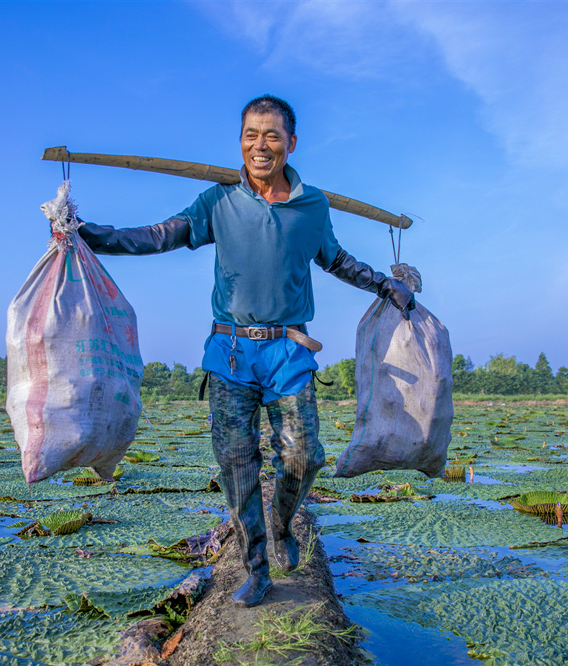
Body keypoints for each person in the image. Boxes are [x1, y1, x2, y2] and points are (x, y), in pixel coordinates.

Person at [77, 95, 415, 607]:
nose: (261, 146)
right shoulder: (218, 202)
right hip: (230, 354)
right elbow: (161, 234)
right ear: (241, 142)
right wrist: (91, 237)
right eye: (251, 135)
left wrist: (384, 285)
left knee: (304, 456)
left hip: (289, 352)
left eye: (272, 136)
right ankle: (256, 565)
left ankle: (281, 527)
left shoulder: (313, 206)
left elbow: (337, 260)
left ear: (291, 144)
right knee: (236, 463)